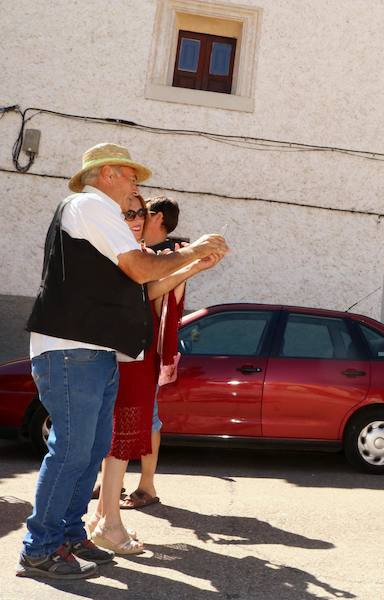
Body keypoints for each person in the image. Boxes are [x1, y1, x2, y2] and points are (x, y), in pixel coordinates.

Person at [18, 143, 228, 579]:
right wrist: (191, 251)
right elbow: (140, 267)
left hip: (92, 351)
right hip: (70, 349)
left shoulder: (102, 222)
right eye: (132, 177)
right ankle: (39, 548)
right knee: (73, 451)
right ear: (109, 173)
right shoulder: (89, 205)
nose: (137, 188)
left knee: (91, 450)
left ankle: (70, 535)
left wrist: (192, 265)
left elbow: (143, 287)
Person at [88, 194, 221, 554]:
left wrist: (194, 266)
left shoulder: (141, 251)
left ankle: (102, 517)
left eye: (139, 212)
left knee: (120, 440)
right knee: (117, 441)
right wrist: (191, 261)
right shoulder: (125, 250)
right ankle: (107, 523)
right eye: (129, 212)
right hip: (125, 356)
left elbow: (152, 296)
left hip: (136, 355)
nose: (136, 217)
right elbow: (148, 292)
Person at [121, 195, 184, 511]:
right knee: (117, 413)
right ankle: (113, 482)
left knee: (149, 418)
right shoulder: (145, 253)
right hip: (128, 344)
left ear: (156, 217)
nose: (136, 218)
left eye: (142, 213)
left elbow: (158, 303)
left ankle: (147, 485)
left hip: (145, 350)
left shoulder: (171, 256)